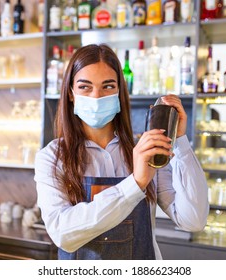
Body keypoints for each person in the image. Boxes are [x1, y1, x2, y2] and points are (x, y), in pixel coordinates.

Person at [34, 44, 209, 260]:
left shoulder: (144, 150)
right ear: (71, 93)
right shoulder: (52, 157)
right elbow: (63, 233)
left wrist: (180, 142)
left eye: (107, 86)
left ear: (119, 92)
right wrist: (135, 183)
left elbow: (193, 220)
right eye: (85, 87)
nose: (97, 96)